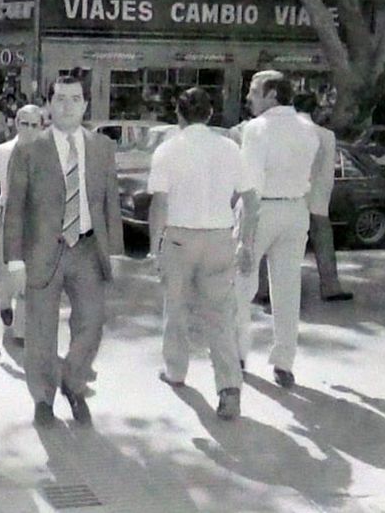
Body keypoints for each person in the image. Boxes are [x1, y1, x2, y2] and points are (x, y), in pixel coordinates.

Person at [3, 74, 125, 427]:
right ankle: (43, 397)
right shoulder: (29, 149)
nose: (67, 106)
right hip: (43, 252)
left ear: (86, 104)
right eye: (60, 99)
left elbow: (110, 204)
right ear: (49, 105)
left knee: (92, 323)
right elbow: (15, 209)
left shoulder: (102, 148)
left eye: (74, 99)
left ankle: (73, 382)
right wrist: (14, 260)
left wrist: (114, 253)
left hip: (87, 249)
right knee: (41, 330)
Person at [146, 88, 258, 420]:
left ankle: (176, 370)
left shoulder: (167, 150)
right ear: (210, 114)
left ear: (178, 115)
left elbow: (160, 203)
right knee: (220, 316)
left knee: (176, 308)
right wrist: (245, 242)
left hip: (180, 238)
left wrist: (155, 246)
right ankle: (228, 388)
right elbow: (251, 202)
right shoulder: (230, 149)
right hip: (220, 237)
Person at [235, 70, 319, 389]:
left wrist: (245, 237)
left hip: (262, 208)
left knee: (242, 284)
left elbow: (251, 183)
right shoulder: (308, 128)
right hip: (296, 208)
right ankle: (284, 362)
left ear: (272, 95)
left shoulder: (257, 129)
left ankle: (240, 354)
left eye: (255, 91)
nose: (249, 97)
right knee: (287, 287)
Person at [0, 104, 42, 345]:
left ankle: (21, 329)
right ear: (16, 124)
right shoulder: (2, 152)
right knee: (4, 270)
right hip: (7, 217)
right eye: (25, 124)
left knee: (27, 276)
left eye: (34, 125)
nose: (29, 129)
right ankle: (4, 303)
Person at [294, 92, 354, 302]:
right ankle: (330, 286)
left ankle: (265, 288)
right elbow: (327, 173)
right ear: (315, 110)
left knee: (279, 245)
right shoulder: (326, 135)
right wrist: (322, 203)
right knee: (323, 241)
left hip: (289, 196)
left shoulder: (286, 132)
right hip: (316, 196)